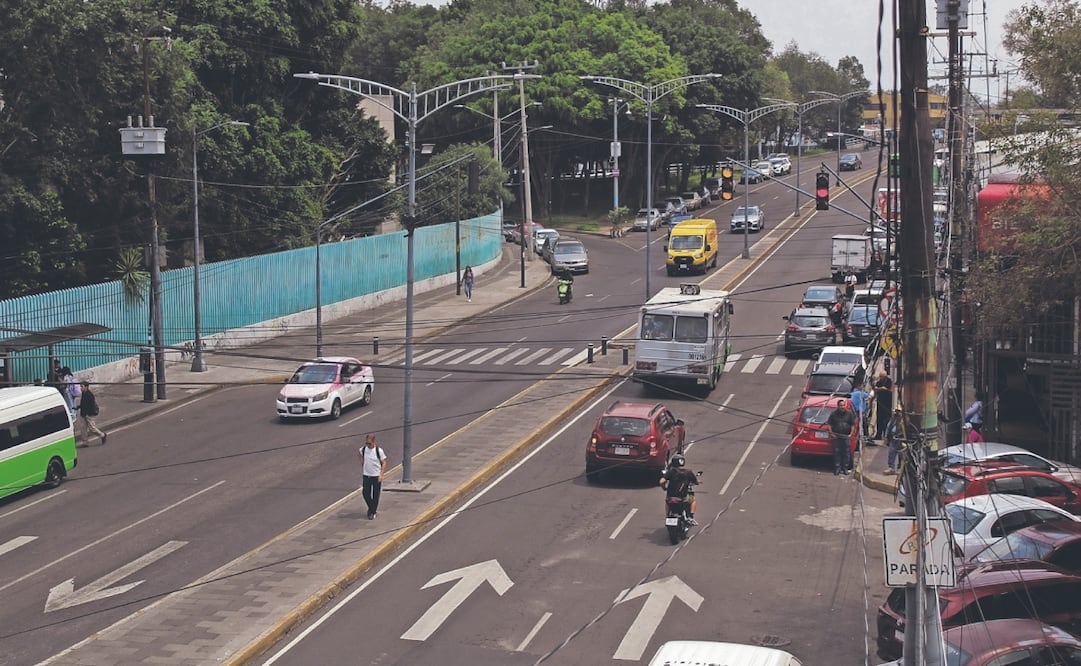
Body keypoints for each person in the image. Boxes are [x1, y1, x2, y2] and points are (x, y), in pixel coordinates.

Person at [659, 454, 698, 525]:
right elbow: (696, 482)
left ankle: (668, 515)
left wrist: (664, 488)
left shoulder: (670, 472)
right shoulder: (688, 472)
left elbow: (661, 481)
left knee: (667, 501)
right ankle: (691, 517)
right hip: (683, 498)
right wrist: (698, 482)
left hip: (671, 498)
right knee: (693, 500)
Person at [357, 434, 388, 520]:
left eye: (369, 443)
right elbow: (359, 454)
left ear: (374, 441)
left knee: (375, 494)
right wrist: (362, 463)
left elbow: (384, 462)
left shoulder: (379, 451)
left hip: (376, 476)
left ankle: (372, 512)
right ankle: (372, 508)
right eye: (366, 443)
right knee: (365, 493)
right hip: (366, 475)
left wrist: (381, 474)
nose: (368, 445)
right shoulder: (363, 449)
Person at [827, 398, 856, 476]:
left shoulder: (849, 414)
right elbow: (829, 424)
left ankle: (845, 468)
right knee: (837, 453)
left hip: (846, 437)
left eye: (843, 405)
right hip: (837, 437)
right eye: (841, 405)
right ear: (838, 406)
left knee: (846, 453)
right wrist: (832, 433)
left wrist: (850, 434)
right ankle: (837, 468)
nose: (842, 407)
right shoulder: (833, 414)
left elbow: (852, 424)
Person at [77, 381, 107, 446]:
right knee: (83, 428)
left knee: (92, 428)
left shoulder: (90, 395)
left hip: (89, 415)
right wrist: (78, 407)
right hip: (83, 414)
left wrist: (88, 413)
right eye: (80, 387)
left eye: (82, 386)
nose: (80, 388)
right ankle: (85, 442)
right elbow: (83, 404)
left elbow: (91, 405)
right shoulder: (83, 393)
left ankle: (102, 435)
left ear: (86, 387)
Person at [872, 370, 894, 441]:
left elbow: (887, 389)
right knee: (879, 420)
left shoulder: (889, 381)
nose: (880, 378)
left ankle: (886, 435)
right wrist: (880, 389)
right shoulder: (879, 382)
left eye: (882, 377)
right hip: (880, 402)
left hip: (888, 403)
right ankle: (878, 435)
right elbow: (876, 389)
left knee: (887, 419)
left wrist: (880, 389)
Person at [883, 406, 903, 475]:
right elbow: (888, 427)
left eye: (899, 411)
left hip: (901, 438)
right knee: (891, 453)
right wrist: (886, 437)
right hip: (893, 438)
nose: (897, 413)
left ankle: (900, 468)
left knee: (901, 454)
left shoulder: (904, 420)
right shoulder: (893, 419)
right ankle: (891, 468)